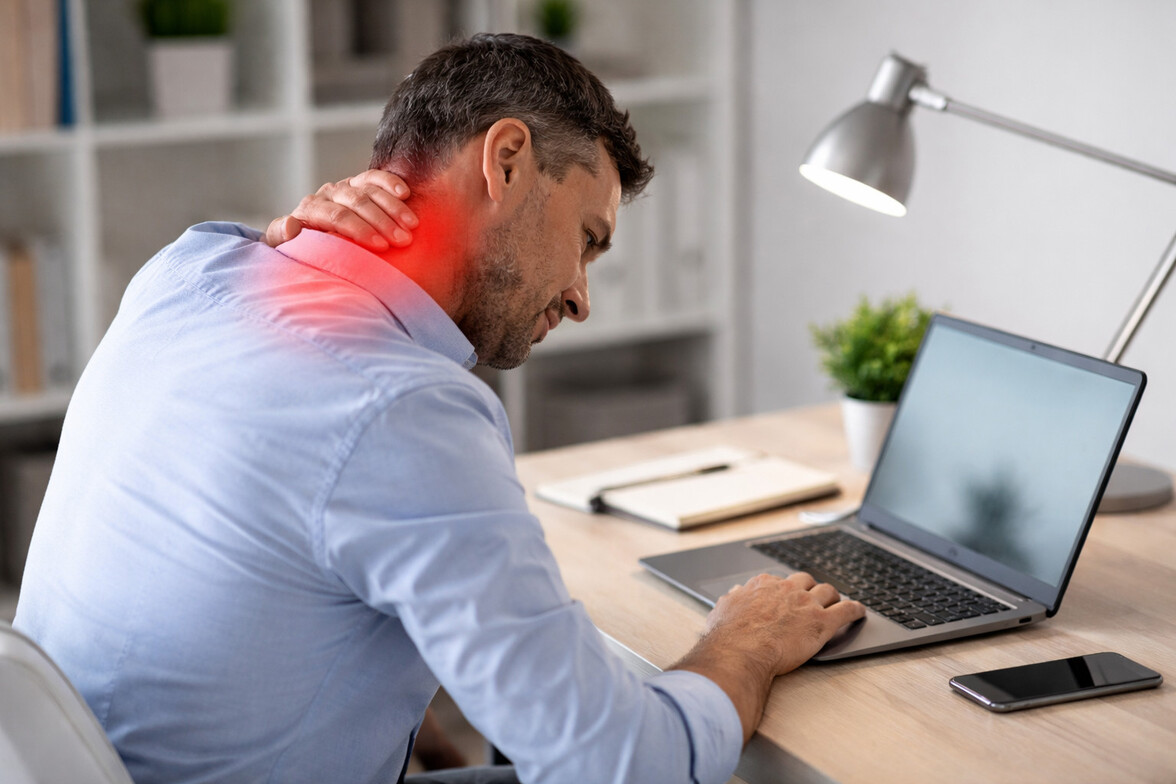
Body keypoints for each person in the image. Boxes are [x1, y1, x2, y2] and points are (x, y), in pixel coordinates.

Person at [14, 33, 863, 784]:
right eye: (588, 240)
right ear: (506, 160)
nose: (580, 297)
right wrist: (739, 645)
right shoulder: (400, 407)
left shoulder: (185, 273)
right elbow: (611, 765)